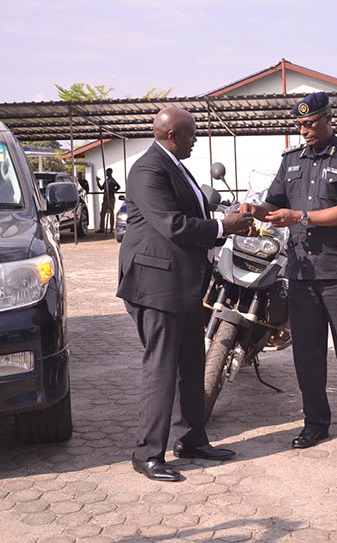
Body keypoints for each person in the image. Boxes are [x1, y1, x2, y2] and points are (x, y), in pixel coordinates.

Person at [241, 92, 337, 451]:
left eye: (310, 123)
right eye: (299, 125)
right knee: (307, 352)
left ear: (327, 119)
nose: (304, 130)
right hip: (302, 272)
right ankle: (315, 423)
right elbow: (274, 202)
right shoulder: (291, 161)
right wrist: (254, 209)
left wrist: (300, 217)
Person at [116, 106, 254, 482]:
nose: (196, 140)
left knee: (192, 364)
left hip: (184, 284)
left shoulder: (174, 163)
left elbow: (193, 209)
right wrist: (222, 227)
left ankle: (192, 439)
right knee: (161, 369)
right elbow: (172, 225)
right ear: (173, 135)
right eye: (191, 134)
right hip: (156, 285)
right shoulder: (149, 170)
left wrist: (225, 216)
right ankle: (147, 454)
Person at [96, 168, 121, 233]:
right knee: (103, 213)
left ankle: (111, 228)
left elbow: (118, 186)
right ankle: (102, 228)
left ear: (110, 172)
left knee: (111, 213)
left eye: (107, 172)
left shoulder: (112, 180)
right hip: (106, 198)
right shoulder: (107, 180)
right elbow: (101, 188)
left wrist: (114, 191)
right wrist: (97, 182)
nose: (106, 173)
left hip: (110, 198)